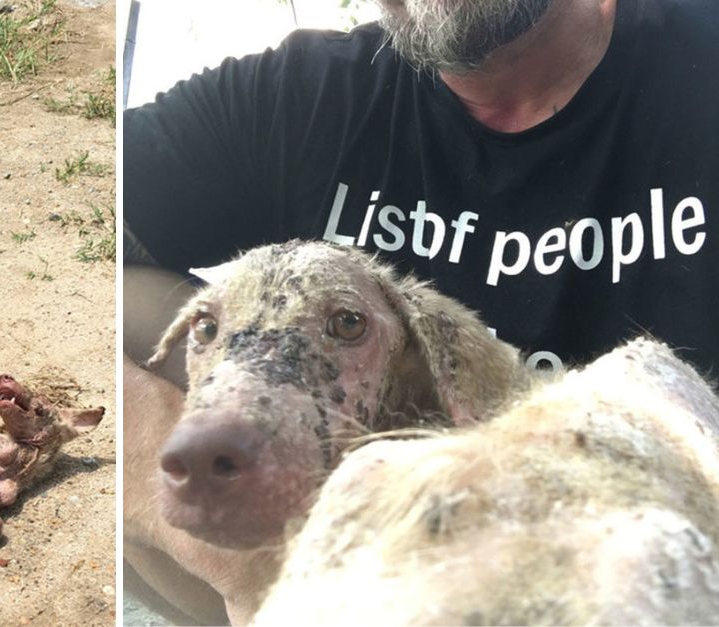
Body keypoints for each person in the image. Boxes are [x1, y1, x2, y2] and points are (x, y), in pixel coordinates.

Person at [122, 0, 719, 621]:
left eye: (348, 321)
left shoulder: (698, 71)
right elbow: (74, 232)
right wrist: (255, 562)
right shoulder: (302, 95)